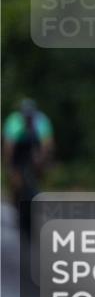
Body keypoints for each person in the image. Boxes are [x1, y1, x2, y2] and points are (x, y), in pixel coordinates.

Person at [3, 99, 54, 233]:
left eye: (30, 117)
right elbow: (9, 146)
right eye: (26, 117)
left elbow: (47, 143)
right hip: (17, 151)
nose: (28, 119)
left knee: (37, 173)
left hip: (33, 149)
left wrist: (42, 162)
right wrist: (11, 167)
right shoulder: (14, 121)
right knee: (17, 181)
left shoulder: (41, 120)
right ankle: (15, 202)